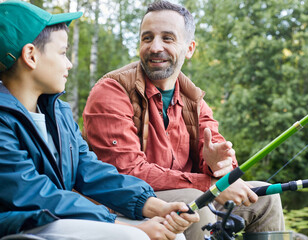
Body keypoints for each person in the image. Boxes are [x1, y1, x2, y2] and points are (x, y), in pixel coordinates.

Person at [83, 1, 285, 239]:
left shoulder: (194, 98)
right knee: (193, 205)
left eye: (167, 38)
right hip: (125, 200)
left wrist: (218, 165)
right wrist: (209, 185)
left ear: (189, 48)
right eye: (147, 38)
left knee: (267, 198)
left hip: (185, 193)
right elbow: (126, 171)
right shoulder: (111, 91)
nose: (155, 47)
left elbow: (221, 158)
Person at [0, 1, 199, 239]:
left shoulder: (59, 114)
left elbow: (91, 171)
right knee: (136, 236)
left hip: (53, 219)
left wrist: (155, 205)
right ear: (31, 56)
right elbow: (32, 194)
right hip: (18, 224)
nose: (69, 63)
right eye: (63, 53)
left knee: (170, 233)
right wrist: (119, 224)